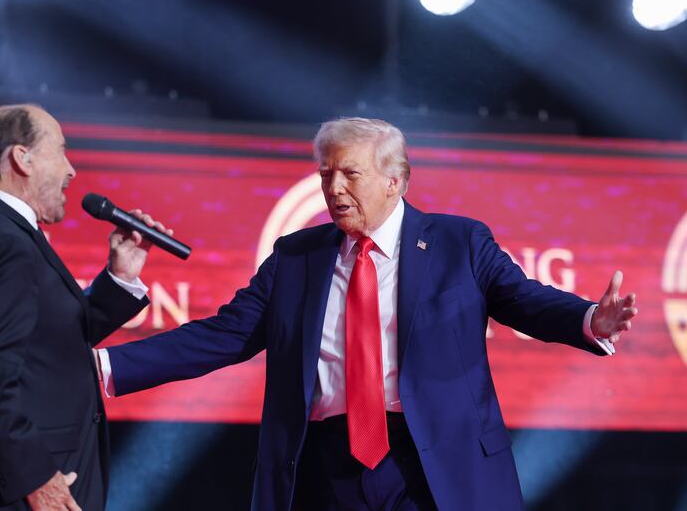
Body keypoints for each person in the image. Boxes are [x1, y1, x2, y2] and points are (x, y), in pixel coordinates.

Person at [97, 117, 637, 510]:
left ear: (394, 181)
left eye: (349, 174)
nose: (333, 189)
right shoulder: (295, 258)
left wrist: (590, 318)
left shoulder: (459, 243)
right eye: (326, 175)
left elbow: (525, 300)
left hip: (432, 461)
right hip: (326, 468)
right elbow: (224, 334)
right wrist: (105, 366)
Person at [0, 104, 167, 511]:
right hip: (24, 491)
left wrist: (119, 278)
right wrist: (35, 478)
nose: (71, 170)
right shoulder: (1, 240)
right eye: (61, 150)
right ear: (21, 159)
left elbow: (46, 343)